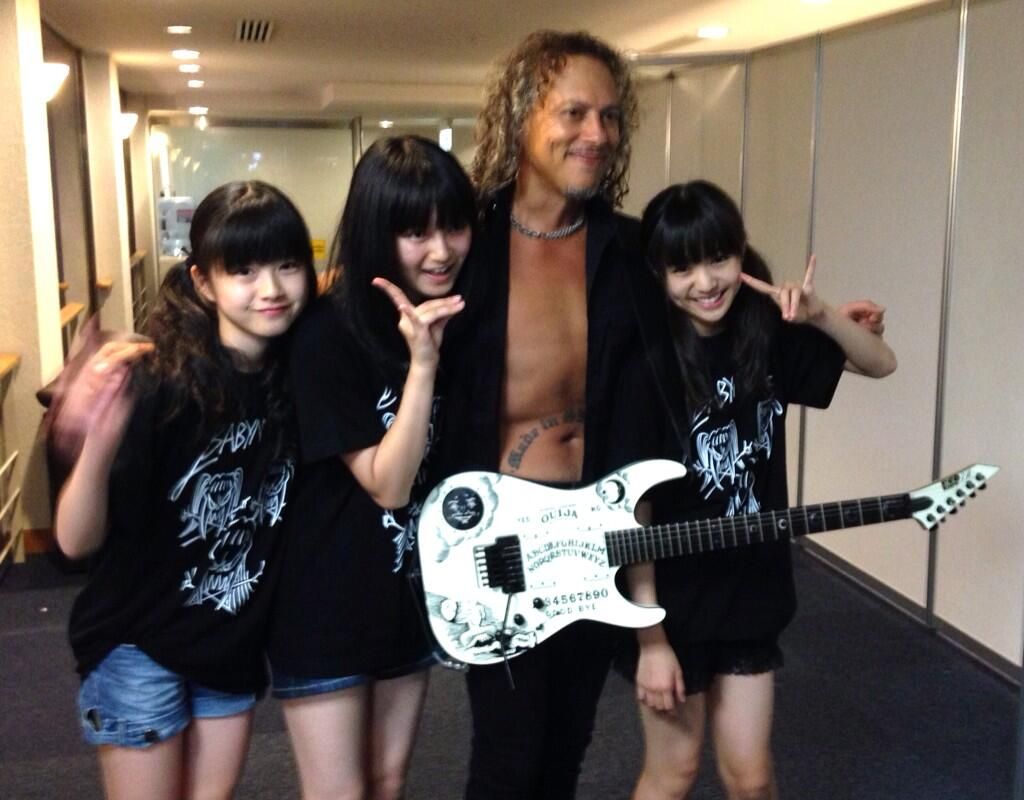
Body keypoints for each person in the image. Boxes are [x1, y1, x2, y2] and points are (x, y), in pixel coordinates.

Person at [440, 30, 672, 800]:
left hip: (593, 542)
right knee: (507, 762)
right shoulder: (463, 245)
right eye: (574, 112)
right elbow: (354, 317)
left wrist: (824, 325)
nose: (597, 134)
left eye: (609, 116)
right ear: (519, 116)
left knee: (565, 753)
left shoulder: (631, 252)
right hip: (494, 549)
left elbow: (722, 299)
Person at [622, 180, 897, 800]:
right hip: (671, 598)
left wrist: (822, 314)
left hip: (752, 584)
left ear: (741, 254)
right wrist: (650, 637)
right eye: (682, 267)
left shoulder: (764, 333)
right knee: (675, 772)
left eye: (718, 258)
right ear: (658, 275)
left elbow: (881, 363)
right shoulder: (646, 363)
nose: (705, 281)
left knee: (751, 777)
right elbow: (632, 512)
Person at [54, 180, 316, 800]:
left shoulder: (301, 375)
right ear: (203, 282)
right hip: (136, 644)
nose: (271, 288)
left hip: (228, 646)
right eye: (244, 270)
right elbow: (72, 540)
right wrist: (100, 438)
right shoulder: (159, 382)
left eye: (288, 265)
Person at [266, 135, 475, 800]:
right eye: (415, 231)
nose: (440, 250)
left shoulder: (459, 317)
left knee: (387, 783)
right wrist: (421, 366)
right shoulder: (327, 332)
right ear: (376, 233)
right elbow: (388, 484)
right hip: (324, 603)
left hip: (406, 596)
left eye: (454, 227)